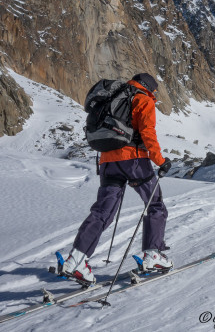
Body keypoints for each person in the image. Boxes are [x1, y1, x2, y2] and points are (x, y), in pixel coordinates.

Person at [62, 73, 172, 284]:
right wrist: (159, 160)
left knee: (103, 212)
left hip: (107, 162)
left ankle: (77, 259)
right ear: (149, 88)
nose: (154, 96)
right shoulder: (142, 99)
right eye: (154, 92)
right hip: (133, 161)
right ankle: (153, 254)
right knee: (155, 204)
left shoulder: (112, 96)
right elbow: (147, 132)